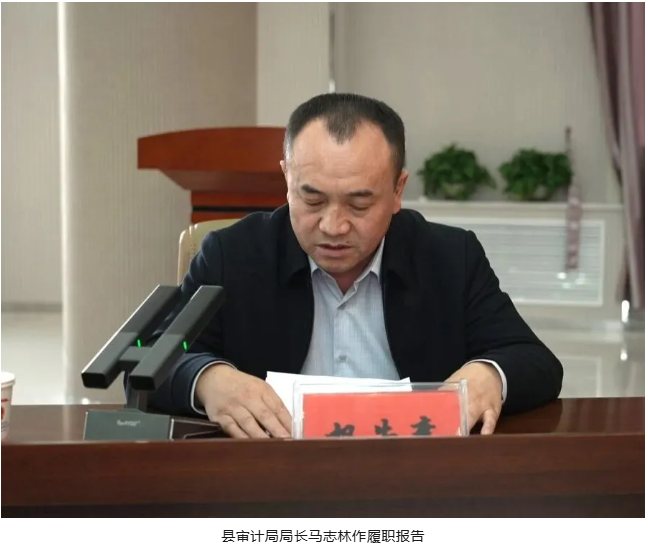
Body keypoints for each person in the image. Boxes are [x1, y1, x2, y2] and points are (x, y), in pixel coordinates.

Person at [146, 93, 563, 438]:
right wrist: (208, 379)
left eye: (359, 203)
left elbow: (533, 359)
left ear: (397, 190)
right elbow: (152, 359)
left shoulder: (449, 257)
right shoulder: (232, 255)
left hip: (412, 479)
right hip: (271, 479)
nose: (334, 226)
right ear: (287, 180)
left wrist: (489, 374)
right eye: (312, 199)